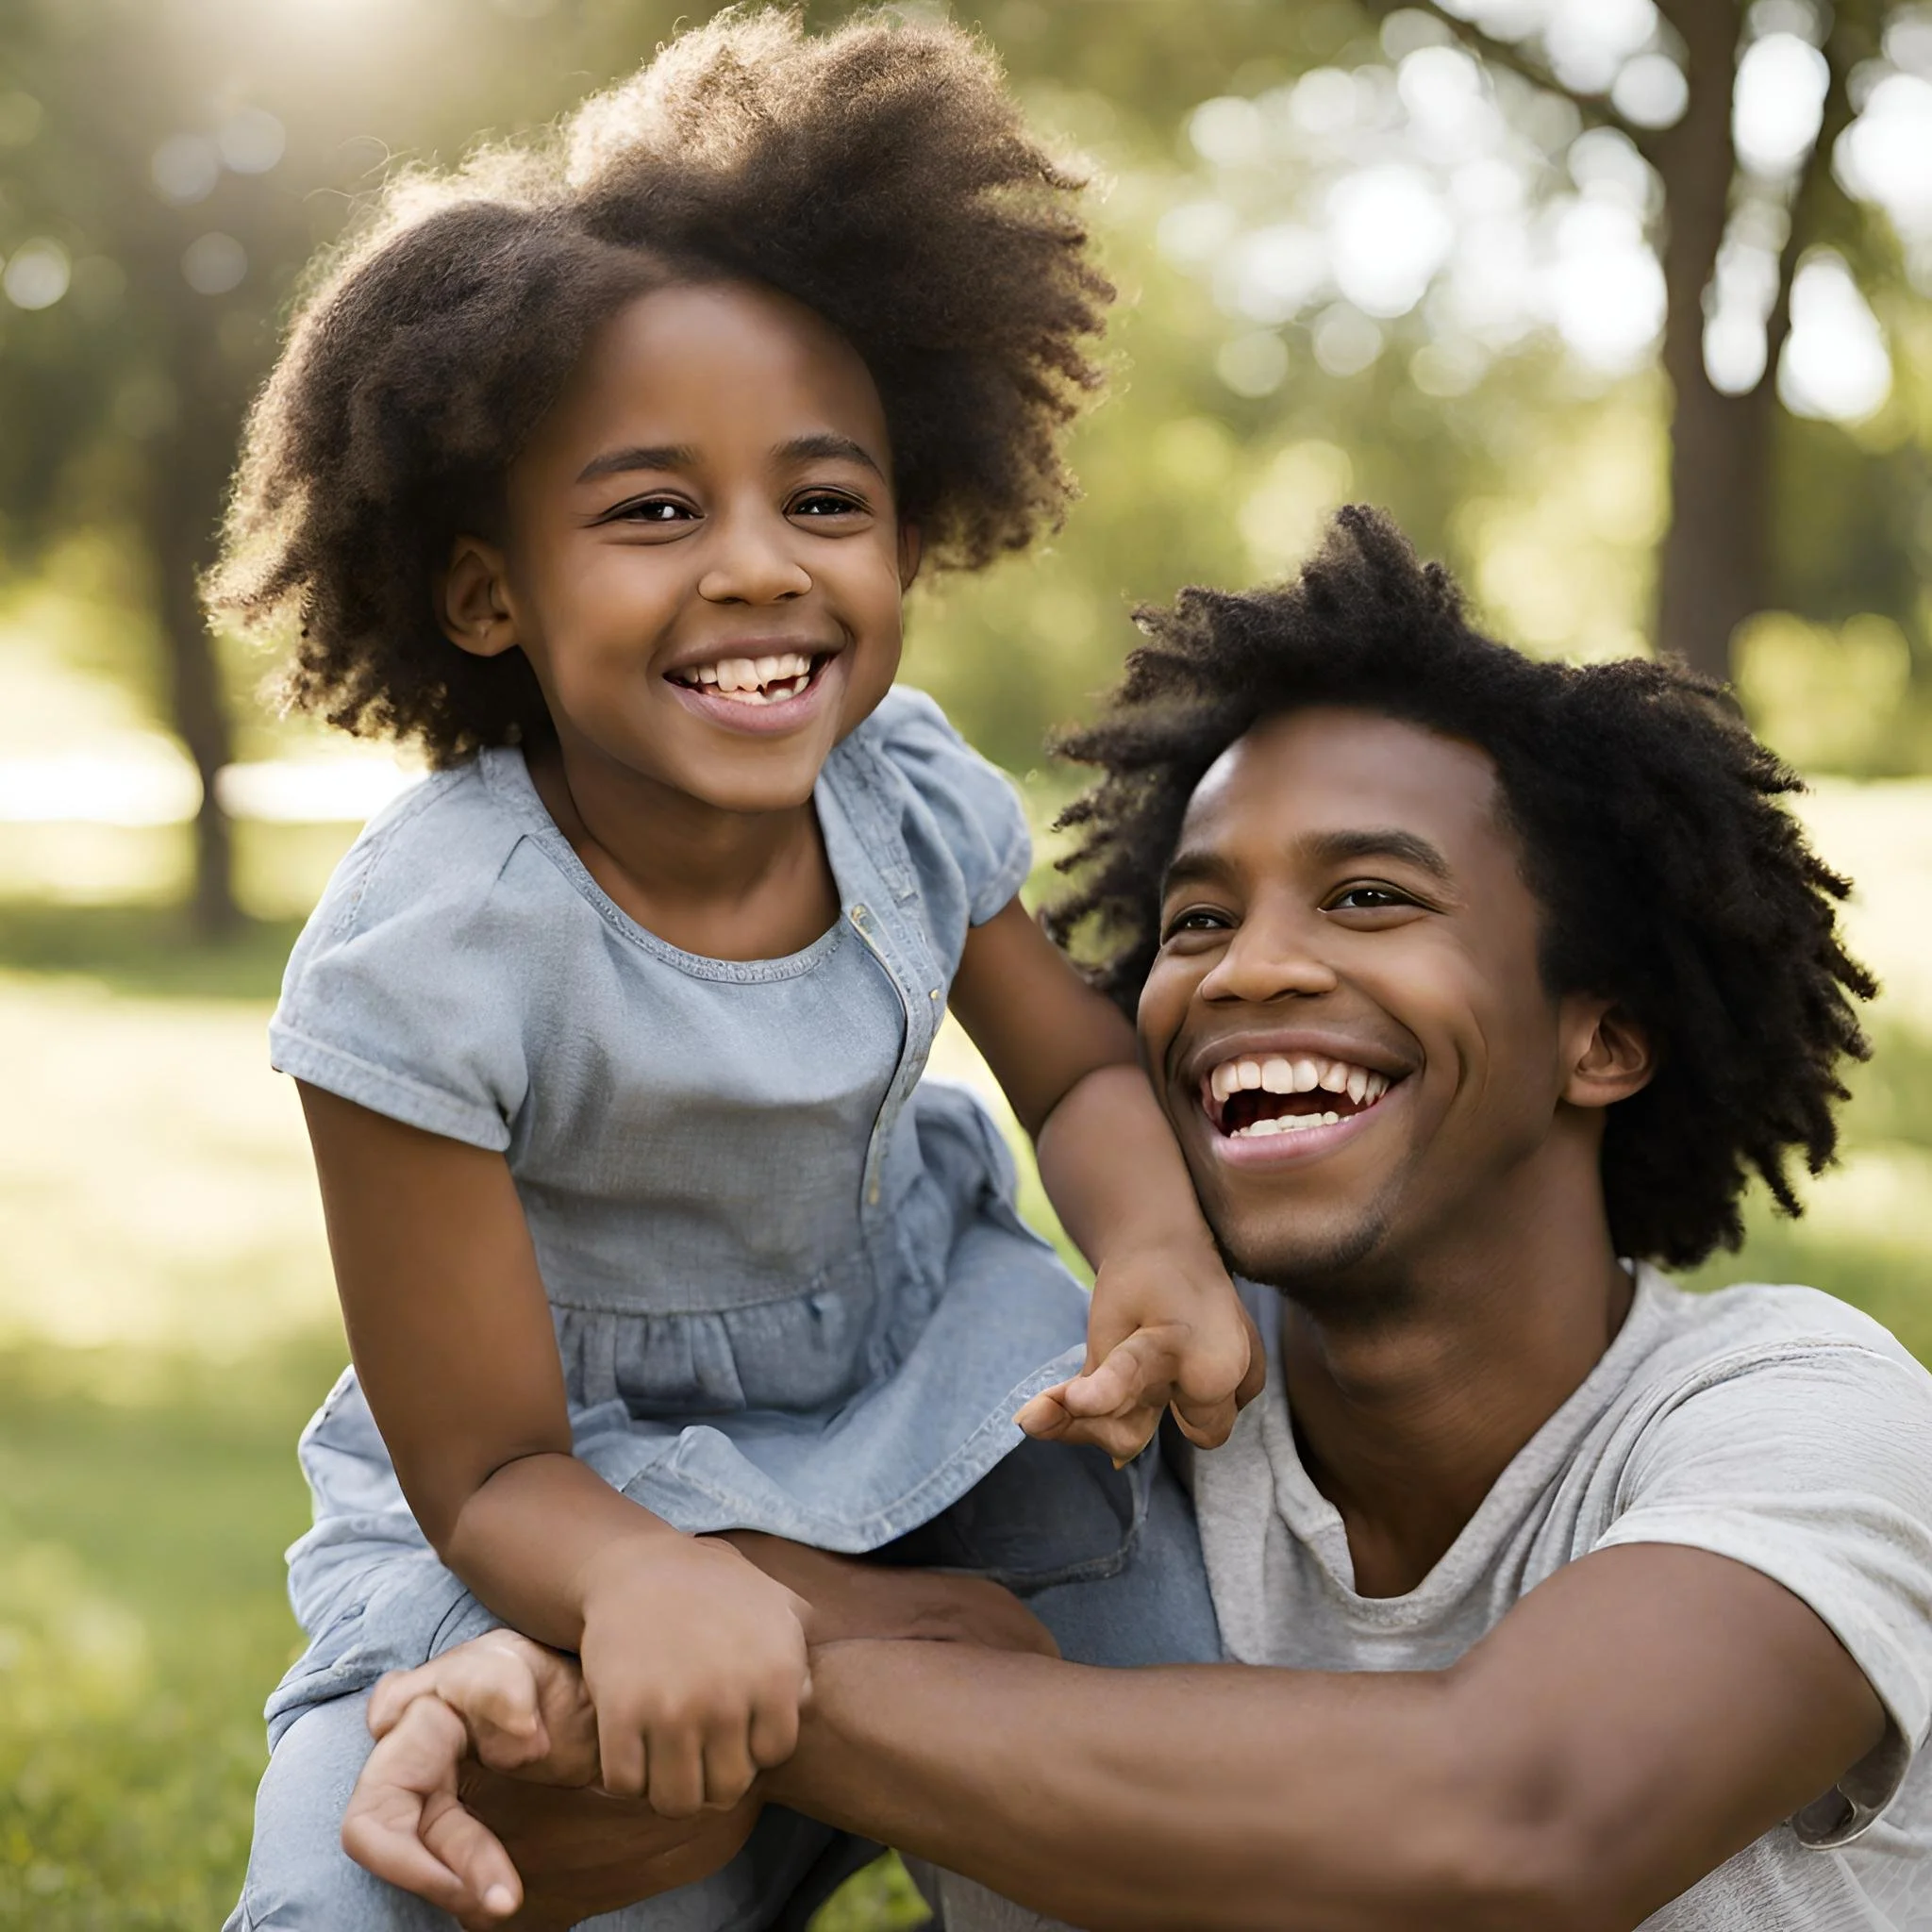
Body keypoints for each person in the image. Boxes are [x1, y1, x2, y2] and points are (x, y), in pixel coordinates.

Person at [356, 508, 1932, 1931]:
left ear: (1604, 1035)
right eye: (1194, 918)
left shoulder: (1799, 1418)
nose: (1245, 971)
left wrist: (749, 1675)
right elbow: (579, 1791)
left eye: (1371, 896)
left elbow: (1519, 1823)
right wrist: (547, 1683)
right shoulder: (1068, 1417)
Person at [209, 15, 1257, 1929]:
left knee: (1170, 1805)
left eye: (824, 500)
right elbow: (482, 1457)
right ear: (484, 591)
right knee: (355, 1892)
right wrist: (640, 1579)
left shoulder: (905, 792)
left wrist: (1156, 1250)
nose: (759, 566)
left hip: (942, 1410)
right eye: (654, 510)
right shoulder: (432, 946)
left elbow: (1082, 1079)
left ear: (912, 532)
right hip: (566, 1483)